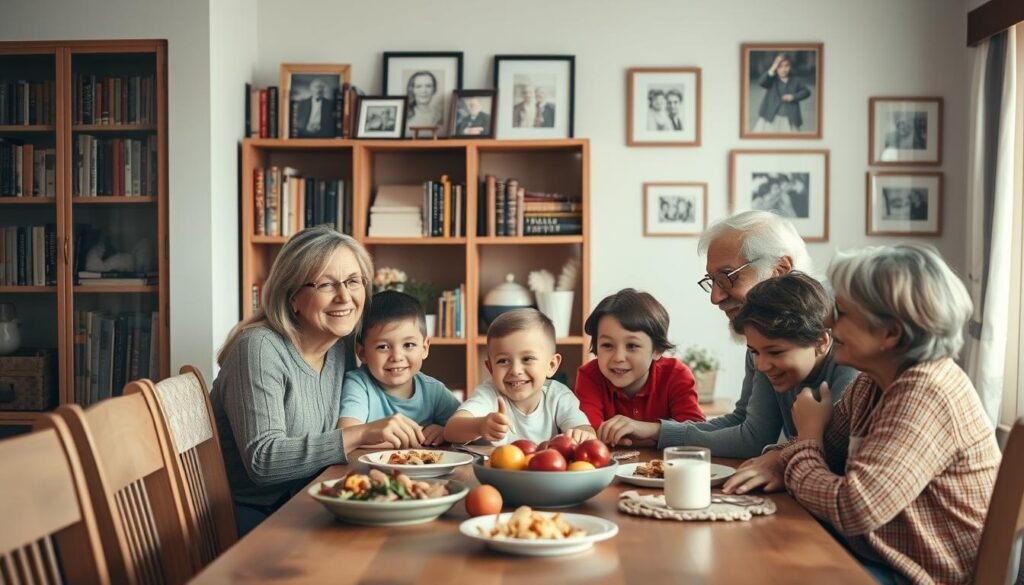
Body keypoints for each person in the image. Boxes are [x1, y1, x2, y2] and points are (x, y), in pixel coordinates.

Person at [781, 244, 1000, 584]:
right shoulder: (873, 382)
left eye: (840, 312)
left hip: (919, 575)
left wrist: (807, 438)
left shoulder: (927, 392)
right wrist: (779, 459)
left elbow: (853, 508)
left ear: (890, 333)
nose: (826, 321)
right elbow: (830, 451)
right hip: (880, 560)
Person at [210, 226, 425, 535]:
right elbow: (263, 461)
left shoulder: (339, 345)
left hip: (310, 499)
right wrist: (360, 434)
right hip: (254, 519)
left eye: (353, 281)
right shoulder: (258, 347)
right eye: (326, 284)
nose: (344, 297)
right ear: (292, 296)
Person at [612, 210, 847, 464]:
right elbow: (747, 424)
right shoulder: (761, 337)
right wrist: (658, 431)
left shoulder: (849, 337)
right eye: (711, 281)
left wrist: (777, 461)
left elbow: (835, 442)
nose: (715, 297)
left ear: (780, 269)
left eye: (727, 277)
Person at [719, 273, 859, 494]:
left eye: (775, 352)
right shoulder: (777, 369)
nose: (762, 365)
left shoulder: (852, 368)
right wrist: (777, 457)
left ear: (822, 342)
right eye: (755, 352)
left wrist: (779, 460)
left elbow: (832, 444)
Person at [443, 309, 595, 445]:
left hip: (548, 473)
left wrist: (582, 434)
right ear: (491, 368)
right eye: (503, 361)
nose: (515, 370)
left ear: (551, 365)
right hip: (499, 475)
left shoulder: (559, 396)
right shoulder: (489, 394)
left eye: (527, 359)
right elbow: (451, 430)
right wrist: (480, 426)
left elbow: (585, 430)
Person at [575, 289, 704, 447]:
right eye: (607, 345)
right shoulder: (589, 376)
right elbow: (589, 434)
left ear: (657, 350)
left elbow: (697, 434)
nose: (618, 357)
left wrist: (646, 429)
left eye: (632, 346)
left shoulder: (676, 374)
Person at [339, 291, 461, 446]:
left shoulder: (433, 390)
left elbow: (464, 426)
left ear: (424, 348)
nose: (397, 356)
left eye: (408, 345)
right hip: (367, 469)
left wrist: (445, 432)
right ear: (362, 352)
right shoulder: (359, 385)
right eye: (383, 347)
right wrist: (412, 440)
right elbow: (348, 436)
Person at [753, 53, 811, 133]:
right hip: (771, 117)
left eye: (786, 66)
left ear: (790, 66)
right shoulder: (771, 79)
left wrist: (793, 96)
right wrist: (772, 68)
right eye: (780, 66)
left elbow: (806, 92)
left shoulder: (796, 80)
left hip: (789, 117)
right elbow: (761, 82)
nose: (784, 69)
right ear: (776, 68)